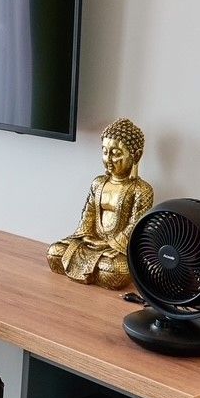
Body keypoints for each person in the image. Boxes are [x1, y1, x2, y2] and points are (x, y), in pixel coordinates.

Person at [46, 118, 155, 290]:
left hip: (116, 249)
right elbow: (88, 215)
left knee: (116, 271)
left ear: (136, 155)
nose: (108, 158)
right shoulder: (98, 183)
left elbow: (135, 226)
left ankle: (98, 270)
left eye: (116, 153)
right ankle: (91, 269)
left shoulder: (142, 190)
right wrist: (86, 236)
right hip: (91, 242)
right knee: (54, 252)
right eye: (105, 151)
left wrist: (111, 244)